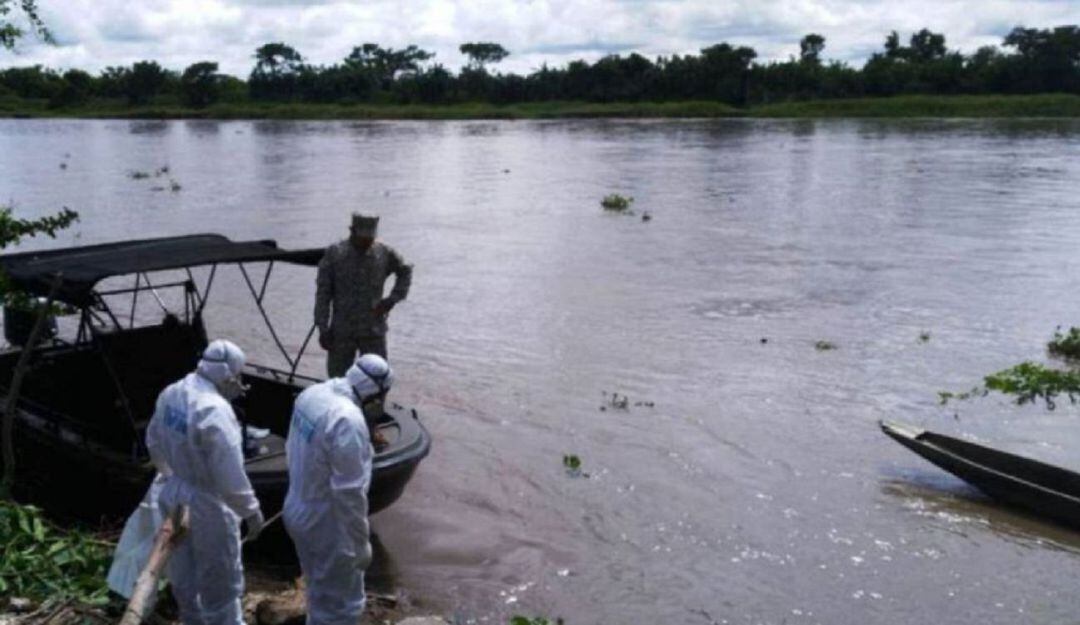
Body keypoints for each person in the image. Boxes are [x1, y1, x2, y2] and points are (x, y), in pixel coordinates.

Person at [145, 339, 265, 625]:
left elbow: (153, 442)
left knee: (184, 578)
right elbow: (230, 477)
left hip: (174, 493)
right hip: (209, 506)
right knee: (222, 586)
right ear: (228, 375)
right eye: (238, 377)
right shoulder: (216, 412)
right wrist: (251, 511)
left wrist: (172, 476)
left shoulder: (172, 392)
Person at [283, 353, 392, 625]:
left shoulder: (312, 394)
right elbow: (349, 494)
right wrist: (360, 543)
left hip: (297, 507)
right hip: (328, 525)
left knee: (319, 592)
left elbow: (292, 448)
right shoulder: (348, 421)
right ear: (376, 395)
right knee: (344, 606)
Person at [315, 213, 412, 377]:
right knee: (337, 379)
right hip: (342, 331)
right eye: (363, 238)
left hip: (373, 330)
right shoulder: (335, 254)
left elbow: (405, 270)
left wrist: (392, 299)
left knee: (378, 377)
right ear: (352, 231)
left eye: (370, 238)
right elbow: (323, 293)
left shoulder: (383, 252)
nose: (367, 242)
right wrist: (322, 327)